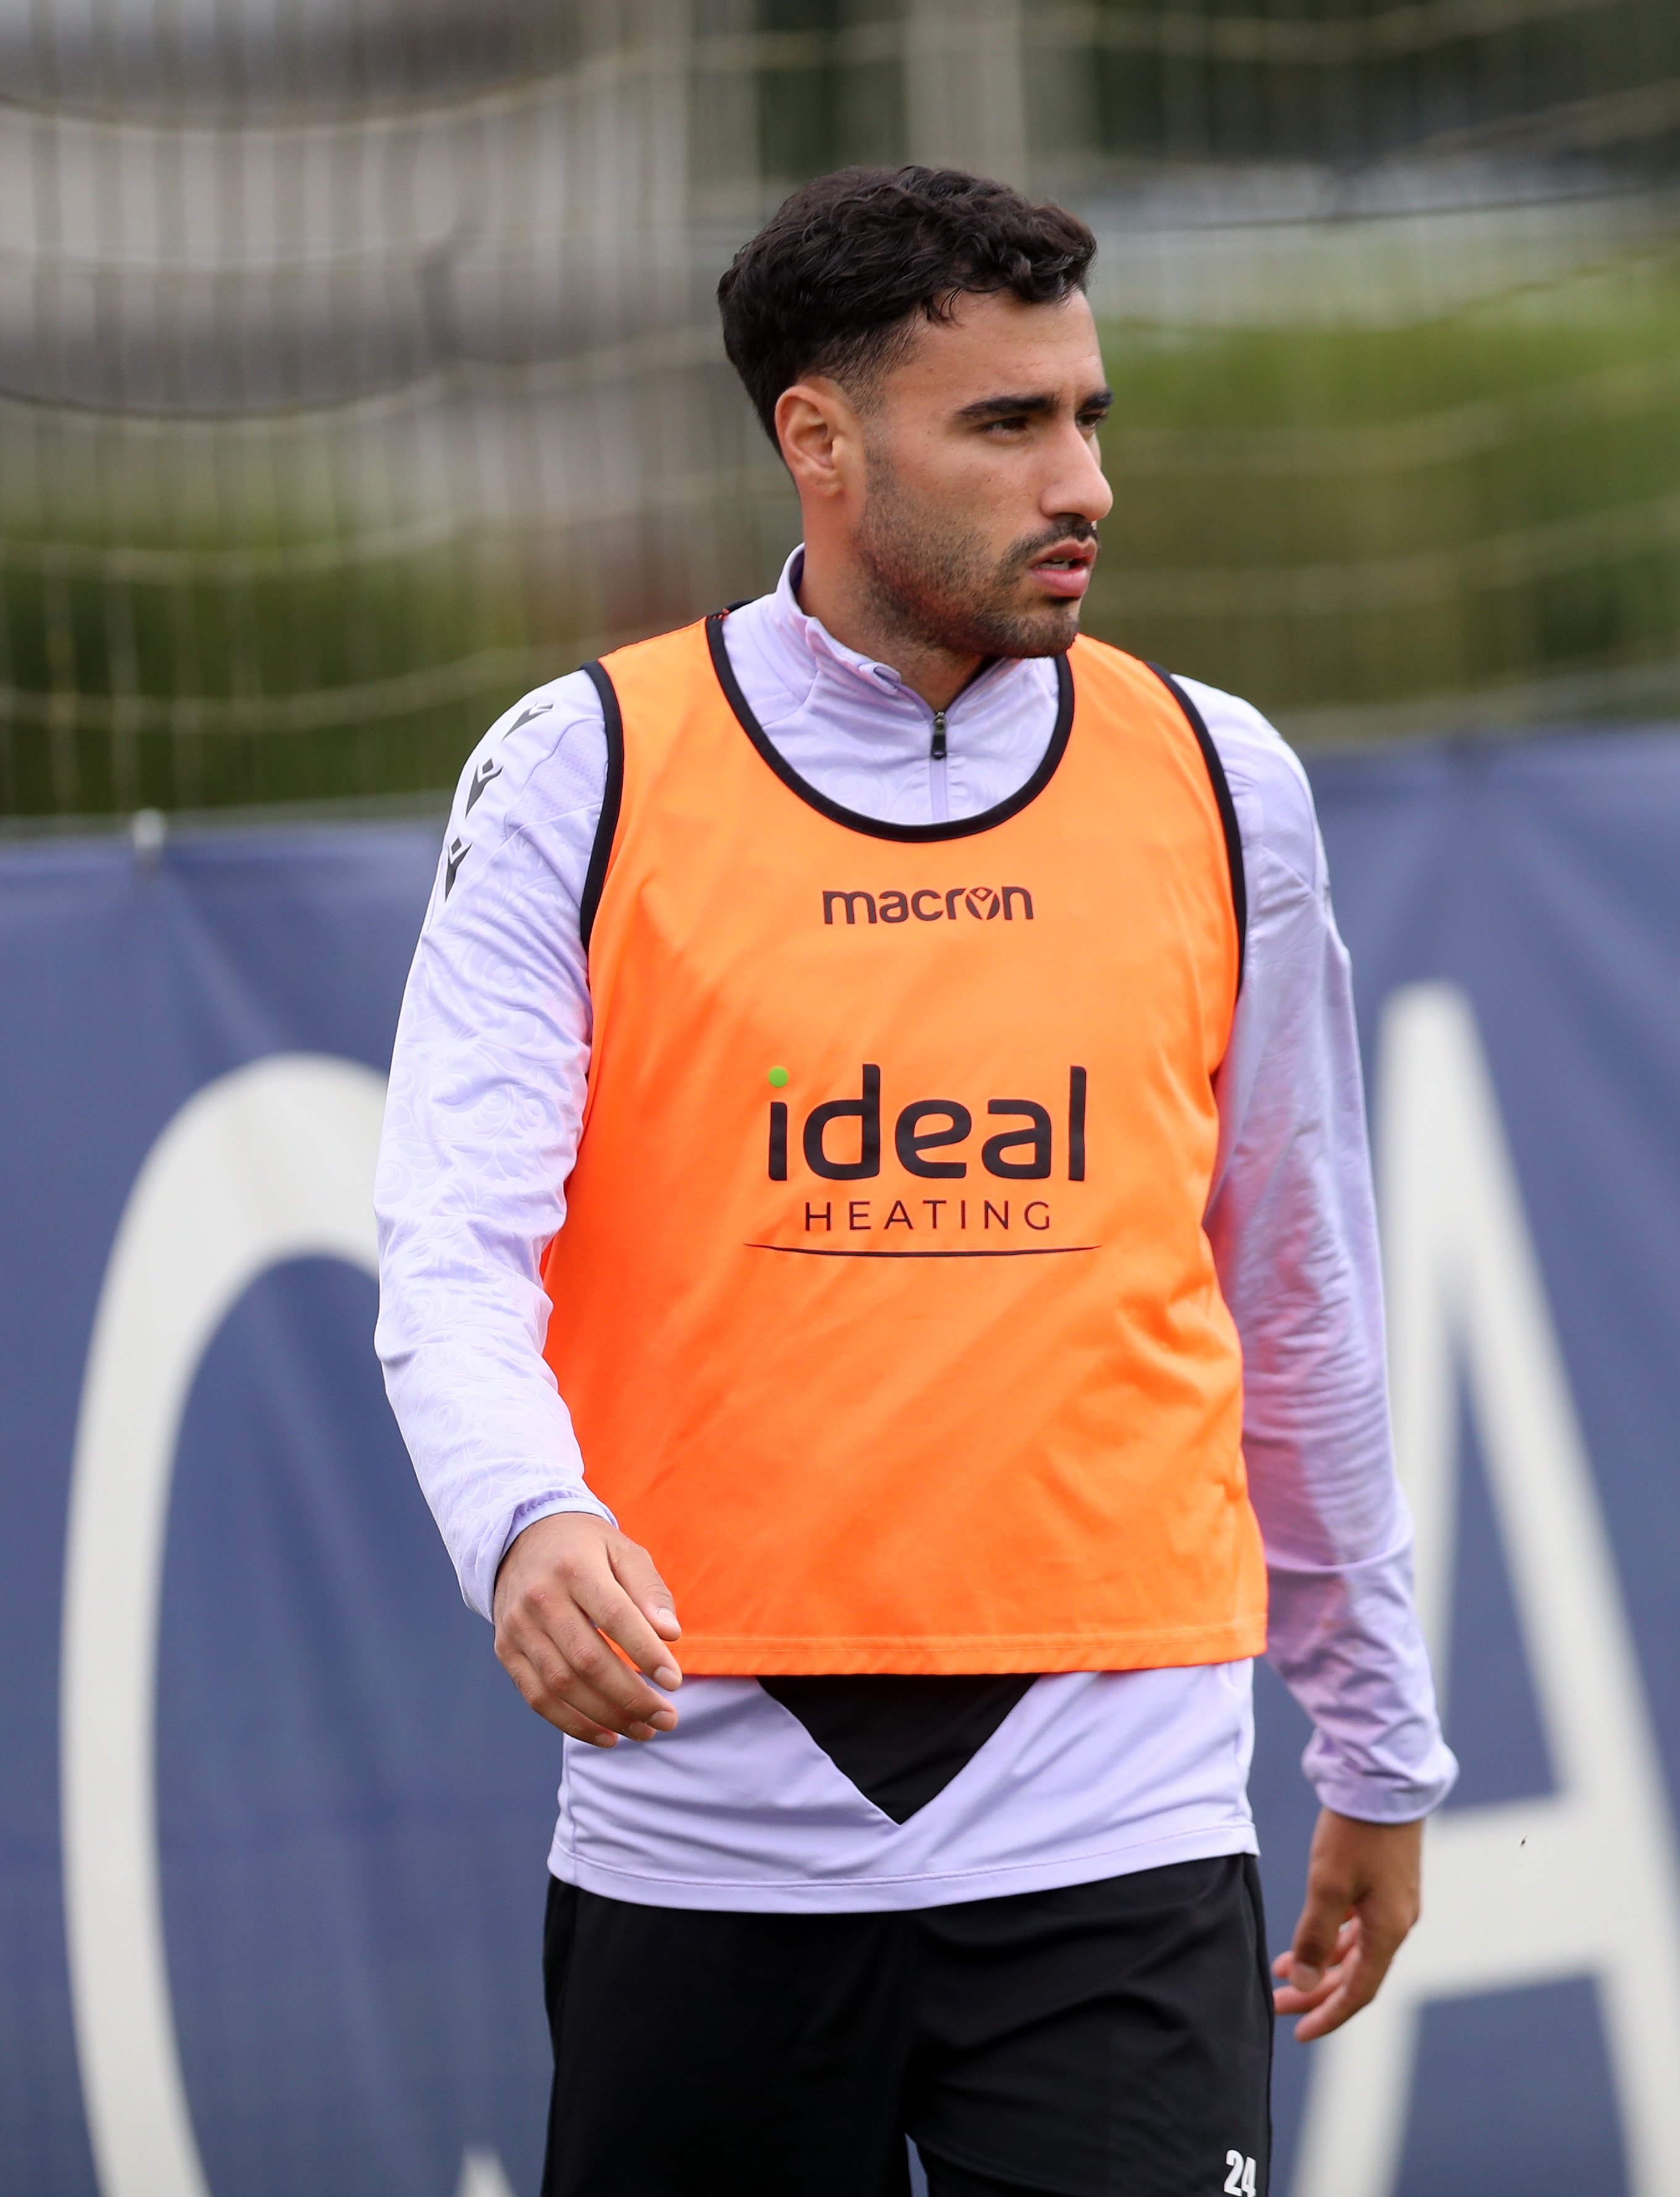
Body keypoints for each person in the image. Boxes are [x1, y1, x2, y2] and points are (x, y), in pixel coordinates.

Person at [374, 165, 1455, 2197]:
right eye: (1008, 424)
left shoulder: (1224, 780)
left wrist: (1377, 1741)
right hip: (703, 1830)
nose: (1085, 484)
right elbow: (451, 1240)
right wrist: (521, 1520)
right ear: (821, 439)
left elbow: (1298, 1286)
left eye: (1091, 418)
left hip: (1115, 1818)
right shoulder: (581, 772)